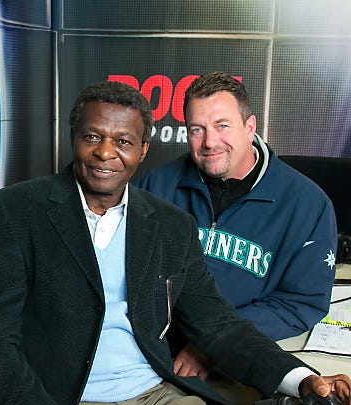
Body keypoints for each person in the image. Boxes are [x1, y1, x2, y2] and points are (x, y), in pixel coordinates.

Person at [0, 81, 351, 405]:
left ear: (143, 149)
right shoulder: (17, 210)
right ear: (74, 139)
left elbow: (220, 325)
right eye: (93, 136)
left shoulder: (170, 223)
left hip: (156, 400)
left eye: (124, 141)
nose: (105, 152)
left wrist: (302, 380)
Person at [137, 72, 337, 382]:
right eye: (197, 130)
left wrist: (216, 343)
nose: (210, 142)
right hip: (151, 357)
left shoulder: (307, 204)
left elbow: (301, 302)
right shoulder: (156, 186)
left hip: (240, 361)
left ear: (250, 127)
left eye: (222, 126)